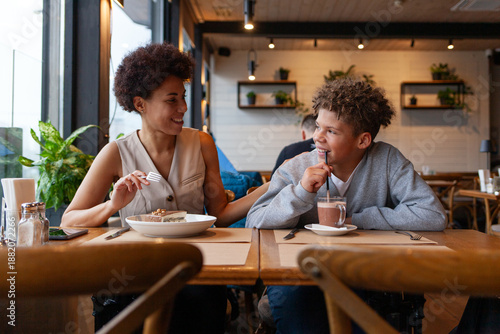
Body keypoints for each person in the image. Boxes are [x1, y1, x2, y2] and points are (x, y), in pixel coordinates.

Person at [61, 42, 268, 333]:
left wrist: (270, 189)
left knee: (201, 302)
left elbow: (219, 214)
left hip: (197, 270)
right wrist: (112, 205)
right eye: (172, 100)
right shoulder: (115, 153)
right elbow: (69, 221)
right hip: (136, 275)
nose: (183, 108)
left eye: (183, 98)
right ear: (139, 104)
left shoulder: (202, 143)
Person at [246, 77, 447, 333]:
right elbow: (255, 221)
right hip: (297, 274)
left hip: (364, 272)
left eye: (331, 131)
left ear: (362, 141)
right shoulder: (296, 168)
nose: (318, 137)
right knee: (298, 304)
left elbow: (432, 215)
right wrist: (300, 193)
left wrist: (357, 221)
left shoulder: (386, 161)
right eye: (318, 126)